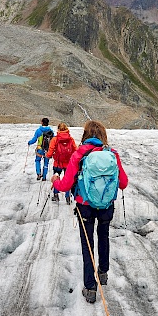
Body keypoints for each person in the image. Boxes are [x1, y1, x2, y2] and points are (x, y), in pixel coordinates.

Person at [50, 120, 128, 304]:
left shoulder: (79, 155)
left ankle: (90, 288)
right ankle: (103, 273)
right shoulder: (112, 154)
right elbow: (123, 183)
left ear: (85, 135)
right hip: (106, 206)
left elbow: (66, 185)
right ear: (103, 135)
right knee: (104, 237)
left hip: (85, 206)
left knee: (87, 245)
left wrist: (54, 180)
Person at [46, 122, 77, 204]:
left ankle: (56, 195)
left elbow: (50, 151)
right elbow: (75, 151)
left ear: (58, 129)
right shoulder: (71, 139)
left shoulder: (55, 139)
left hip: (57, 163)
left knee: (56, 178)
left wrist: (48, 156)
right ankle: (67, 197)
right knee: (67, 180)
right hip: (68, 164)